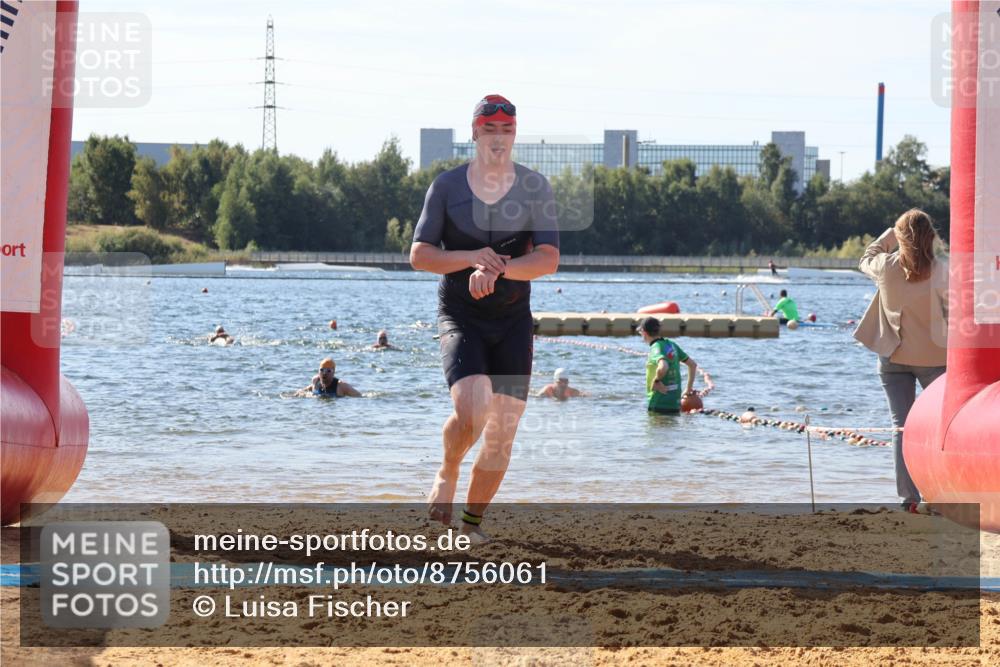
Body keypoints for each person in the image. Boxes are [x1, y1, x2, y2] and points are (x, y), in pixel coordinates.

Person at [409, 94, 559, 539]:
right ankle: (448, 468)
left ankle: (471, 525)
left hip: (513, 321)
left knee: (502, 432)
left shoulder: (535, 188)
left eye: (506, 130)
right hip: (461, 315)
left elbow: (548, 258)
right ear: (474, 133)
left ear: (514, 135)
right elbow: (419, 255)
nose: (498, 138)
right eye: (489, 129)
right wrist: (472, 257)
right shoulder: (447, 187)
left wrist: (499, 268)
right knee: (473, 409)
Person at [854, 208, 947, 513]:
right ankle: (938, 493)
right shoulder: (943, 269)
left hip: (892, 357)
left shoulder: (884, 266)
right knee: (938, 428)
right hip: (934, 358)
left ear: (900, 238)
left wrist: (890, 233)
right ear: (930, 236)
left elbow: (867, 256)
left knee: (901, 428)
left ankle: (909, 499)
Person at [638, 317, 698, 415]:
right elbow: (693, 365)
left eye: (640, 332)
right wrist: (688, 388)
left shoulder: (655, 347)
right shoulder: (671, 345)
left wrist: (656, 381)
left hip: (659, 403)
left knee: (655, 430)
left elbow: (663, 366)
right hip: (675, 403)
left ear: (644, 332)